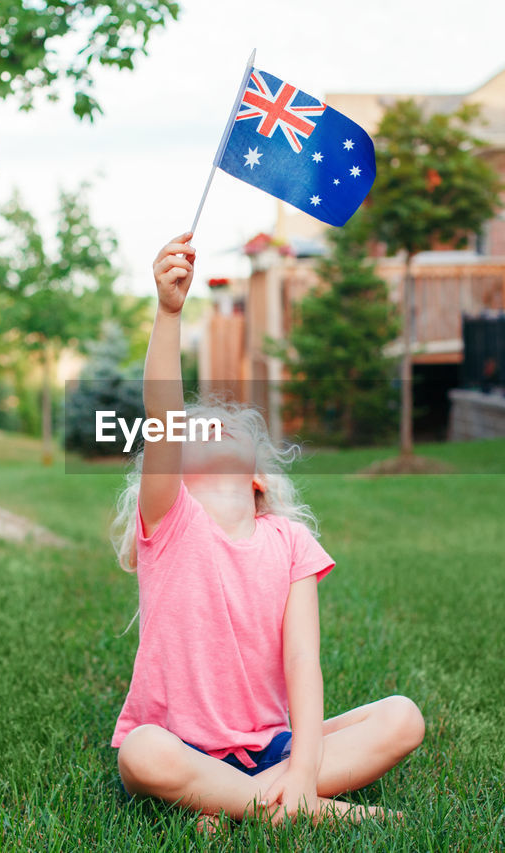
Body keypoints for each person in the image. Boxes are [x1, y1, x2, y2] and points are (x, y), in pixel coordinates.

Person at [109, 231, 425, 834]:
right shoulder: (172, 522)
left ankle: (242, 804)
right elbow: (162, 416)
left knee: (403, 718)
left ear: (257, 477)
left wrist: (303, 768)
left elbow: (303, 659)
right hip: (180, 747)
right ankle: (295, 810)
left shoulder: (289, 543)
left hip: (270, 745)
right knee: (142, 753)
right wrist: (168, 313)